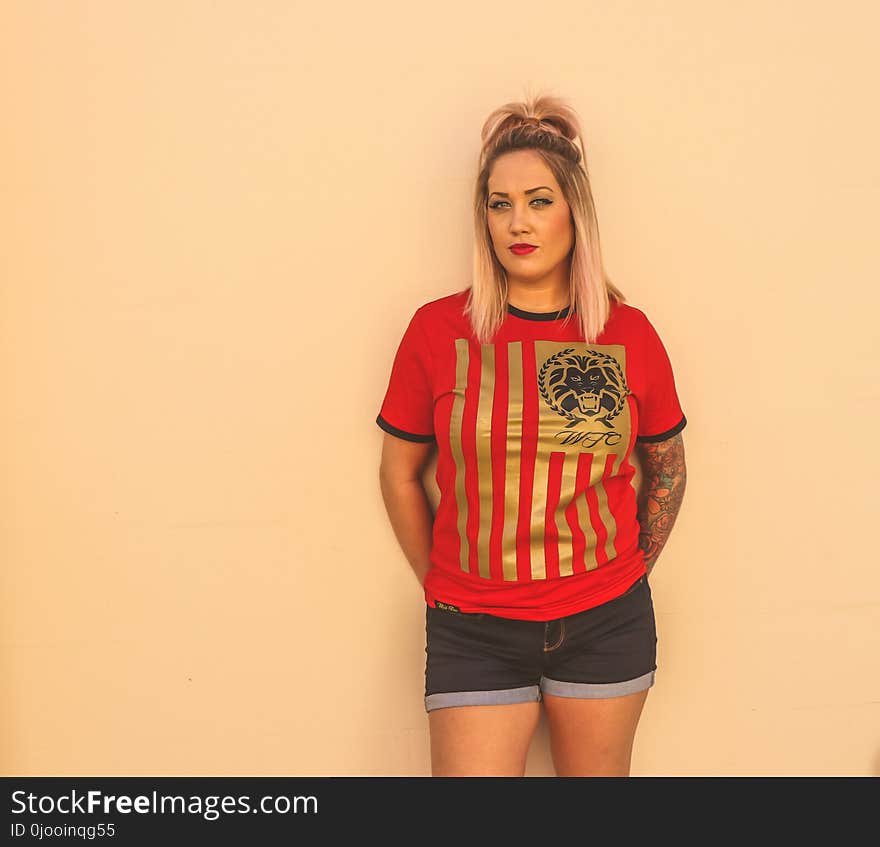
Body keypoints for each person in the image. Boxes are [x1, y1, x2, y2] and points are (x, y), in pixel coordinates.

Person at [375, 92, 688, 777]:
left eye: (539, 200)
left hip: (607, 623)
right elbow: (399, 473)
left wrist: (625, 572)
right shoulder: (437, 332)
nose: (518, 221)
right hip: (472, 629)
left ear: (576, 211)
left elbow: (667, 466)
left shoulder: (625, 334)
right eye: (499, 202)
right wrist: (443, 581)